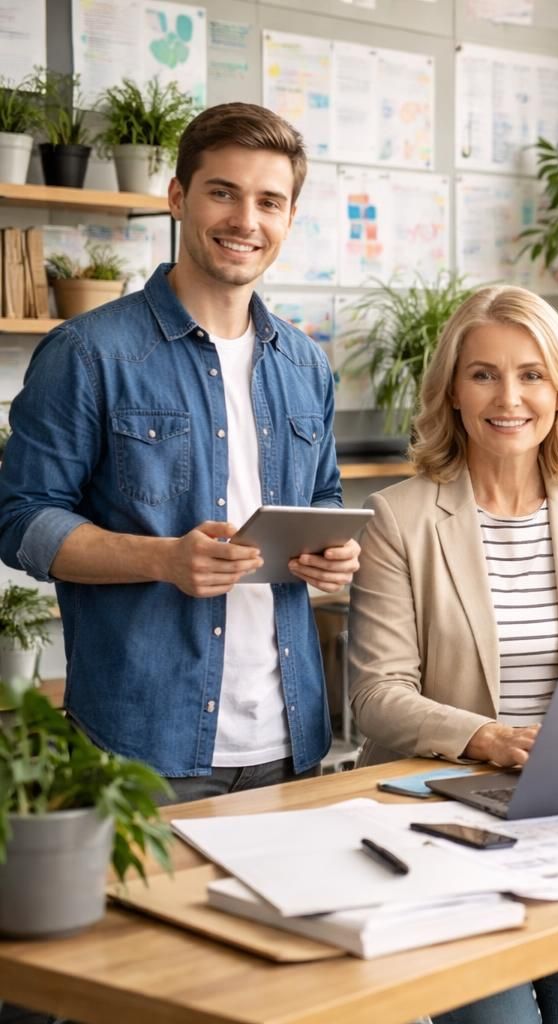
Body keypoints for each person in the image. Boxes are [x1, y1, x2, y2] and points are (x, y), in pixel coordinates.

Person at [0, 103, 357, 801]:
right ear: (176, 197)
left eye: (269, 201)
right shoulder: (89, 353)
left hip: (294, 739)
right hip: (143, 746)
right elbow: (21, 521)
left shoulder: (306, 366)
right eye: (222, 192)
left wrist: (333, 552)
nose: (244, 221)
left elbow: (324, 501)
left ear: (288, 219)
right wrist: (162, 560)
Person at [347, 285, 558, 1024]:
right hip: (445, 817)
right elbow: (377, 694)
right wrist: (486, 737)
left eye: (530, 373)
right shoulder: (400, 517)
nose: (509, 396)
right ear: (452, 391)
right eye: (483, 373)